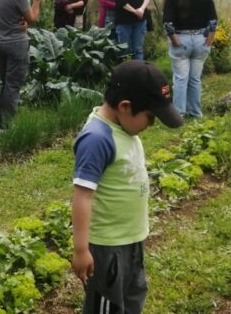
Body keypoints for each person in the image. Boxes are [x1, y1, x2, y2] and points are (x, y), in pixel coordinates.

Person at [72, 60, 183, 314]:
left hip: (131, 240)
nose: (151, 125)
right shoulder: (97, 139)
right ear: (125, 107)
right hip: (107, 247)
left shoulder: (125, 129)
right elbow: (82, 196)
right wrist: (80, 249)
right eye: (150, 118)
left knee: (133, 296)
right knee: (108, 305)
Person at [163, 0, 217, 119]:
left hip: (181, 39)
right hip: (201, 39)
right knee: (195, 79)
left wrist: (174, 40)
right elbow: (213, 22)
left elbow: (167, 23)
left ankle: (179, 113)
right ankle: (195, 112)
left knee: (180, 79)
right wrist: (208, 41)